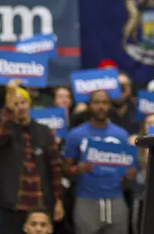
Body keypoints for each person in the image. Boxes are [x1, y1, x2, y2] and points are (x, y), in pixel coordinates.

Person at [0, 81, 64, 234]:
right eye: (16, 104)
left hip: (41, 206)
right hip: (12, 205)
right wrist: (8, 107)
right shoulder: (5, 131)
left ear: (29, 105)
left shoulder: (45, 131)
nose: (20, 107)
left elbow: (55, 169)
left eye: (23, 102)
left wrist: (59, 201)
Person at [63, 90, 135, 234]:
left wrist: (130, 176)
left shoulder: (121, 135)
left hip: (116, 199)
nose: (101, 106)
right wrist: (77, 170)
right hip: (86, 200)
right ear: (89, 106)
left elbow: (129, 172)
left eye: (105, 102)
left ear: (110, 106)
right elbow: (65, 170)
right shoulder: (75, 135)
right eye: (96, 102)